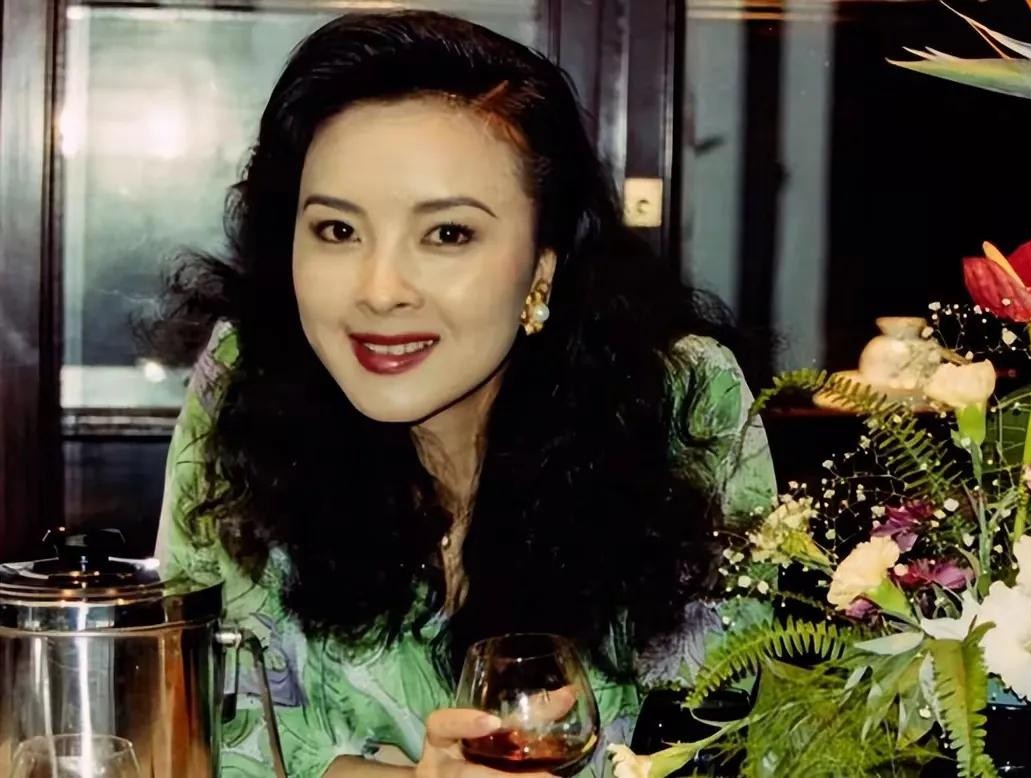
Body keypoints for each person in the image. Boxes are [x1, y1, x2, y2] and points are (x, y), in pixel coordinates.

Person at [153, 10, 775, 778]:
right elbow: (202, 744)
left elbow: (726, 744)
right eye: (338, 231)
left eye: (448, 234)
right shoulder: (248, 382)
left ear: (542, 267)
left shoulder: (682, 405)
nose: (380, 290)